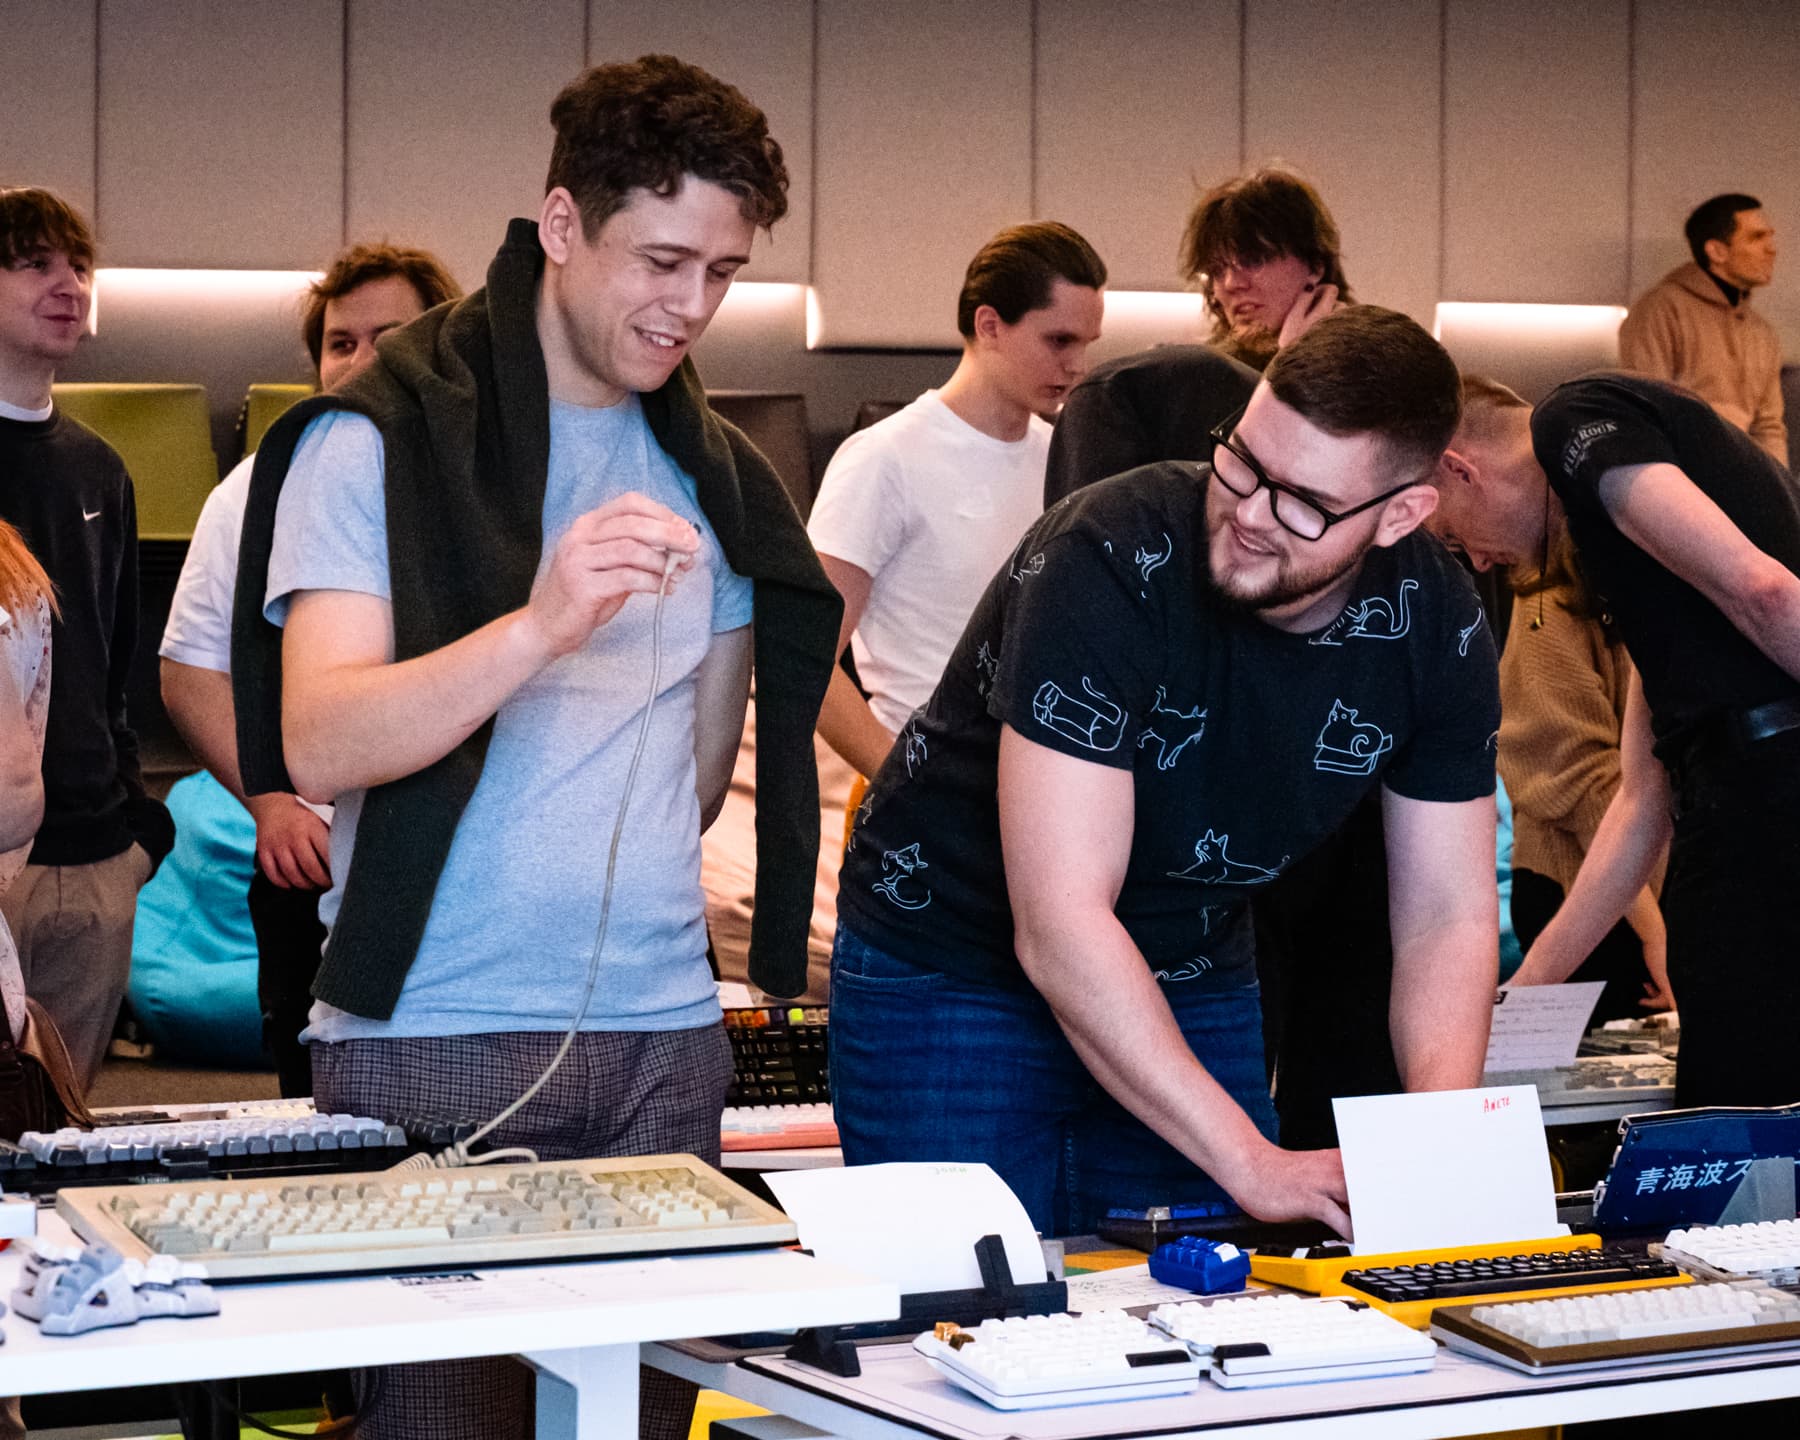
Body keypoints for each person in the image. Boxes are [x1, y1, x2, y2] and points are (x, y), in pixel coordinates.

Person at [232, 54, 838, 1440]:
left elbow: (689, 778)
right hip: (429, 1033)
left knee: (646, 1426)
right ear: (562, 225)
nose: (691, 307)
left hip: (664, 1041)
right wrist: (539, 625)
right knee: (437, 1428)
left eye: (724, 272)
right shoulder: (378, 437)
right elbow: (317, 737)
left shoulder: (719, 477)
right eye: (662, 259)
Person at [833, 307, 1500, 1239]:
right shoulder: (1106, 553)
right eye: (1243, 463)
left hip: (1187, 961)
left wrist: (1438, 1131)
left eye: (1304, 503)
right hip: (954, 959)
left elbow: (1447, 915)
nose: (1253, 517)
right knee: (954, 1324)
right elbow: (1061, 920)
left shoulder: (1437, 621)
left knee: (1214, 1313)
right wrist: (1249, 1157)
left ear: (1402, 514)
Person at [1431, 370, 1800, 1108]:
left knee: (1739, 1119)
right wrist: (1525, 990)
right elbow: (1640, 798)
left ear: (1458, 469)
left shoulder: (1573, 419)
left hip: (1766, 804)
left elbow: (1764, 592)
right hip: (1734, 815)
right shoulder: (1620, 567)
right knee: (1734, 1111)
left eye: (1449, 534)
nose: (1474, 561)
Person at [160, 242, 461, 1098]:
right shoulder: (252, 491)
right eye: (341, 342)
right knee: (320, 1118)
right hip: (311, 855)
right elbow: (188, 671)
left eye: (391, 336)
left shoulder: (490, 488)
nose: (362, 359)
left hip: (460, 860)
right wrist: (271, 803)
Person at [809, 222, 1105, 780]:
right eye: (1060, 341)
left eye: (1087, 344)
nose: (1078, 366)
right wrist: (904, 780)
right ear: (989, 325)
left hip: (1041, 790)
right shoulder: (885, 457)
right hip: (927, 791)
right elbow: (804, 658)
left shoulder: (1069, 459)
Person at [0, 186, 174, 1092]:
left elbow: (116, 669)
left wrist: (138, 836)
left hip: (95, 862)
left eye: (78, 266)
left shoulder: (101, 466)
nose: (68, 283)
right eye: (34, 263)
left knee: (53, 1140)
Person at [1497, 544, 1670, 1023]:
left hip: (1637, 892)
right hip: (1581, 891)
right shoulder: (1545, 606)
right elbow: (1587, 791)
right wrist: (1654, 934)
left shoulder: (1631, 599)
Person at [1619, 194, 1785, 467]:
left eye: (1770, 237)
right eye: (1756, 238)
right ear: (1716, 251)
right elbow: (1646, 412)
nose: (1771, 249)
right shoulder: (1660, 309)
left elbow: (1769, 427)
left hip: (1747, 483)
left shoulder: (1761, 331)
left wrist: (1778, 492)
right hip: (1684, 482)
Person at [1179, 167, 1353, 373]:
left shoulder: (1371, 364)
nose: (1231, 284)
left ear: (1315, 265)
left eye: (1254, 261)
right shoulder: (1203, 374)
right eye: (1216, 270)